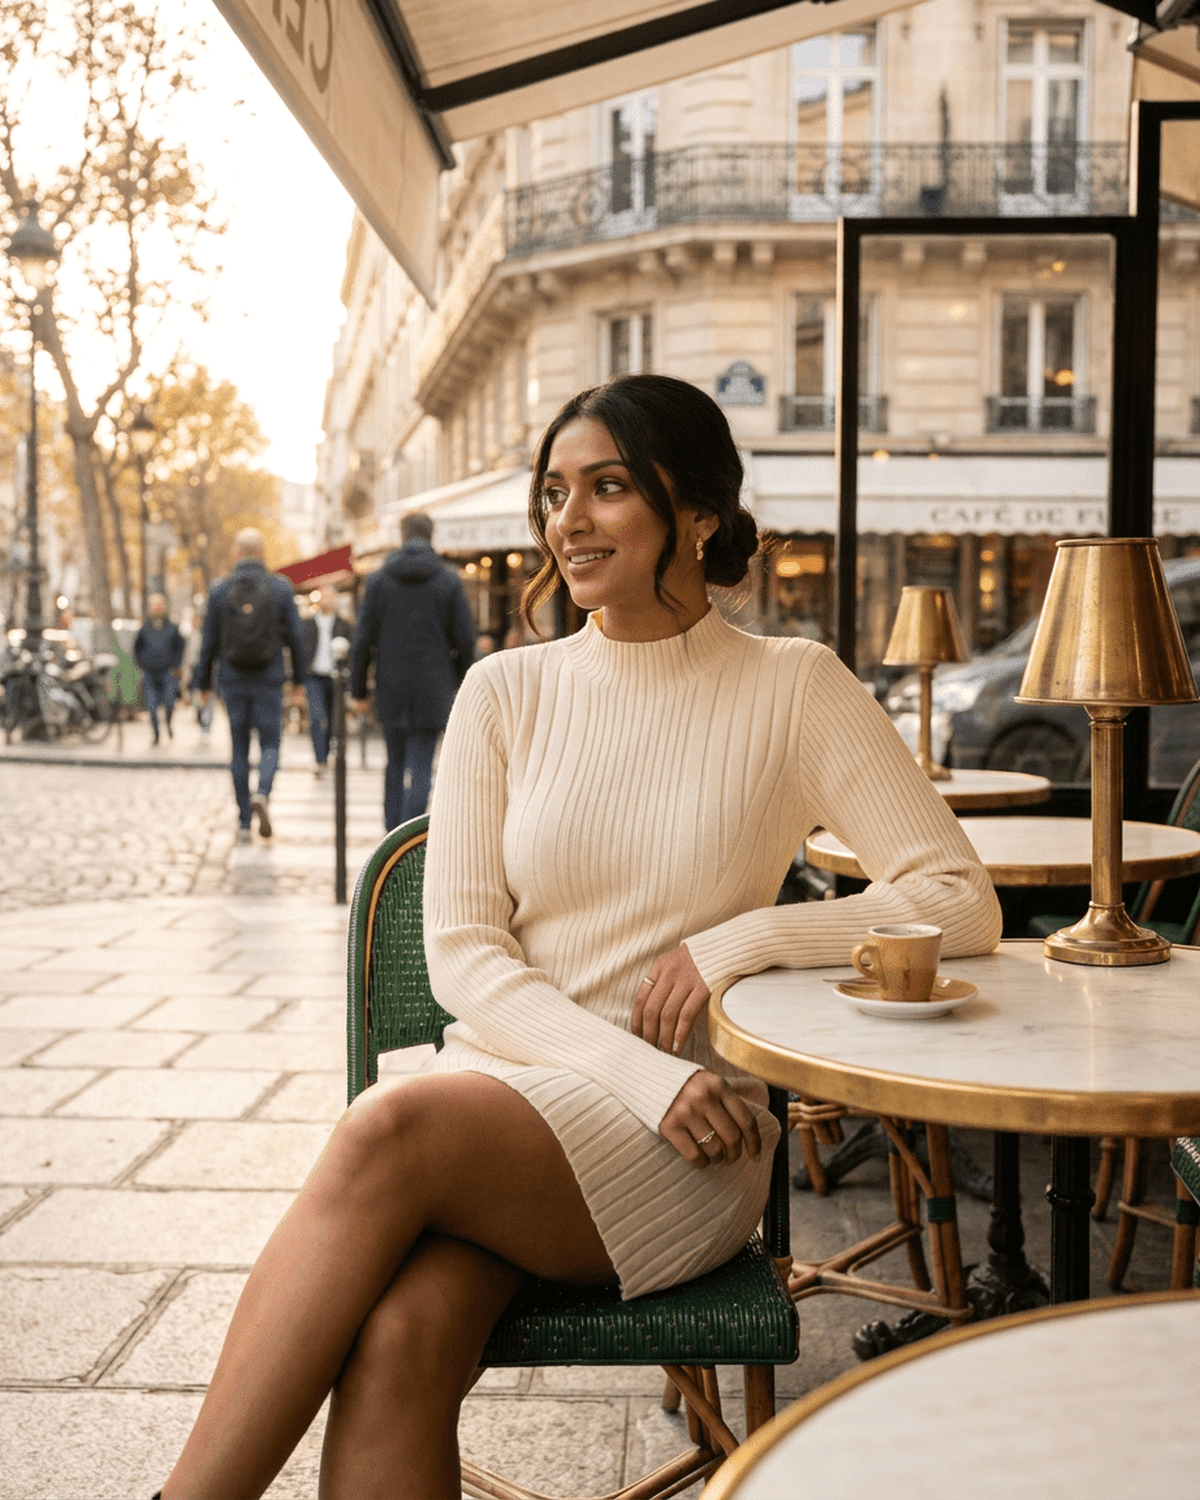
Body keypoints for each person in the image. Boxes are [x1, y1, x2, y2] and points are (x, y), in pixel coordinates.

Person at [153, 375, 1001, 1500]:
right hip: (520, 1108)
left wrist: (740, 941)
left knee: (386, 1127)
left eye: (607, 488)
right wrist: (629, 1069)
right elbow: (460, 951)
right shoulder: (505, 692)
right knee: (400, 1340)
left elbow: (957, 897)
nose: (570, 521)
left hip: (689, 1141)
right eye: (556, 492)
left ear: (694, 511)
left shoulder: (794, 688)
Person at [350, 510, 475, 829]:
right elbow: (464, 638)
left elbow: (363, 639)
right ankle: (406, 843)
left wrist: (358, 691)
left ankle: (390, 837)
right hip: (434, 685)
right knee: (421, 764)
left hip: (391, 683)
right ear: (431, 536)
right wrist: (462, 682)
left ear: (403, 536)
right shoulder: (447, 579)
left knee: (393, 763)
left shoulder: (378, 579)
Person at [194, 528, 306, 844]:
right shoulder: (280, 589)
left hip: (233, 679)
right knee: (271, 743)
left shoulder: (219, 590)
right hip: (269, 679)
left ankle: (244, 820)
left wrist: (202, 684)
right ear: (262, 553)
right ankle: (263, 792)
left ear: (237, 553)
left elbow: (208, 643)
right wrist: (299, 681)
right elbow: (296, 639)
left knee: (239, 747)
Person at [300, 587, 353, 775]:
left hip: (335, 678)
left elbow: (351, 653)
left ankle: (326, 754)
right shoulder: (307, 623)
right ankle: (319, 759)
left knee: (332, 720)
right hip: (313, 676)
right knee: (317, 717)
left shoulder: (343, 624)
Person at [132, 594, 185, 744]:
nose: (157, 608)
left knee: (169, 703)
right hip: (150, 673)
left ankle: (168, 723)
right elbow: (137, 649)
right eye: (154, 605)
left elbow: (180, 648)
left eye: (159, 605)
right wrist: (143, 664)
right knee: (152, 707)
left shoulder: (172, 628)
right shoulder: (144, 629)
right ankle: (156, 734)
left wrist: (176, 665)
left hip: (167, 672)